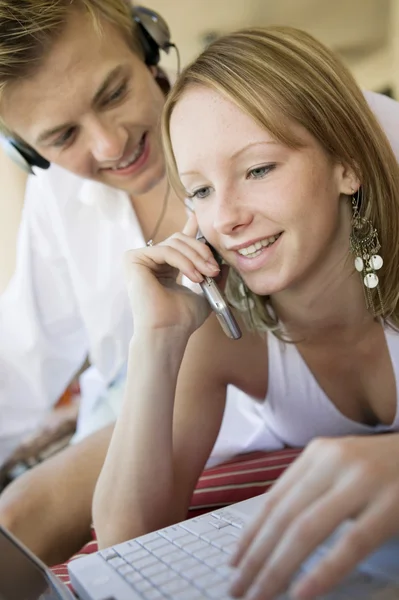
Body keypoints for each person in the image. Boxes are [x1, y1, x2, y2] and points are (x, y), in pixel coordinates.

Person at [93, 26, 399, 600]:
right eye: (200, 191)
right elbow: (127, 542)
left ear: (347, 166)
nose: (227, 218)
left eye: (258, 169)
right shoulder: (225, 338)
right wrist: (156, 339)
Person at [0, 0, 274, 566]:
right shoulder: (57, 201)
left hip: (245, 403)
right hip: (136, 408)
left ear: (148, 45)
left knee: (22, 512)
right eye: (62, 136)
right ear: (27, 150)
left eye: (113, 94)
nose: (109, 145)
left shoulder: (262, 111)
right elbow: (20, 367)